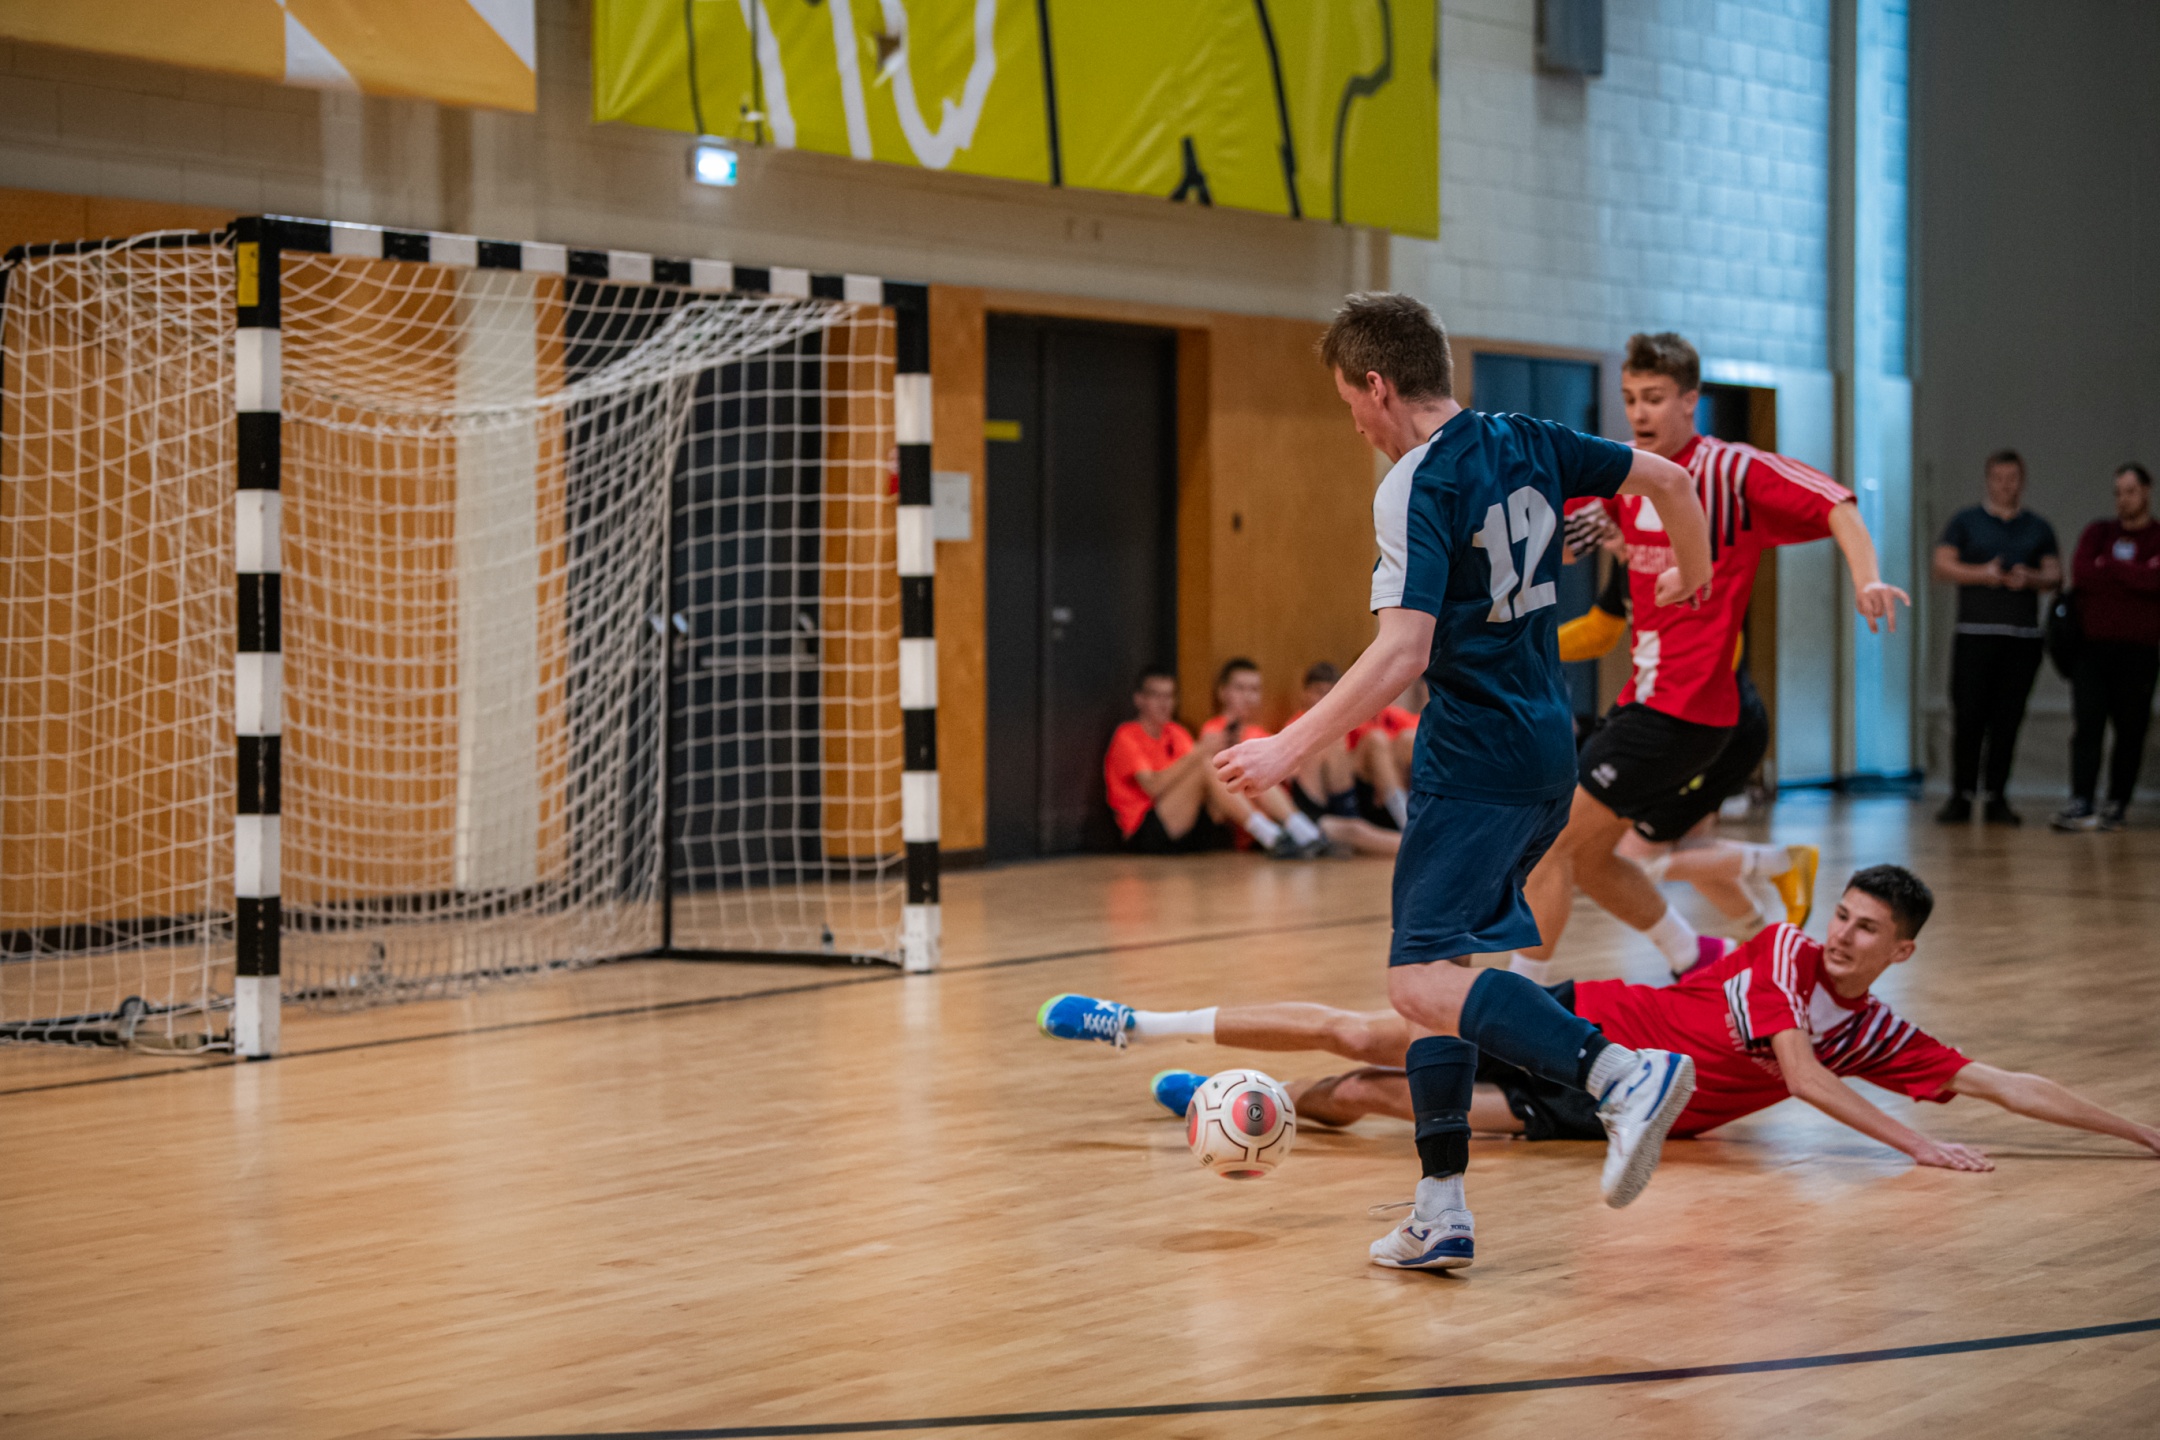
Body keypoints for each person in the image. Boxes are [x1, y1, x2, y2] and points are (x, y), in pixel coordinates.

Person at [1203, 291, 1714, 1271]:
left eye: (1349, 403)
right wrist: (1687, 582)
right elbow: (1672, 483)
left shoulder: (1414, 484)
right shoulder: (1530, 437)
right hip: (1547, 743)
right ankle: (1440, 1206)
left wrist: (1288, 748)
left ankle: (1618, 1074)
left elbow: (1403, 651)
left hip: (1473, 754)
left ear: (1378, 386)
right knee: (1442, 982)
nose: (1354, 424)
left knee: (1418, 981)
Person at [1040, 866, 2160, 1170]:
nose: (1842, 936)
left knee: (1374, 1099)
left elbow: (2006, 1082)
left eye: (1867, 932)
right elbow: (1804, 1079)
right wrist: (1917, 1145)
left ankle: (1238, 1104)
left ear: (1901, 953)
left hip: (1605, 1111)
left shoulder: (1882, 1037)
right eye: (1843, 916)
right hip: (1575, 1019)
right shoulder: (1782, 954)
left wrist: (2139, 1131)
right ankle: (1143, 1025)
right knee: (1363, 1031)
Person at [1516, 332, 1907, 982]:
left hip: (1687, 709)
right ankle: (1701, 960)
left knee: (1551, 843)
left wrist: (1867, 578)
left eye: (1654, 398)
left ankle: (1512, 1008)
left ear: (1689, 400)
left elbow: (1837, 503)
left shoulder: (1731, 471)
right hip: (1645, 702)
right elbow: (1559, 538)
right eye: (1630, 398)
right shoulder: (1623, 473)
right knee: (1591, 857)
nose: (1639, 412)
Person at [1548, 524, 1818, 943]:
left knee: (1638, 857)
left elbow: (1726, 645)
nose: (1607, 539)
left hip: (1714, 728)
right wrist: (1531, 646)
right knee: (1693, 849)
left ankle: (1780, 863)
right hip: (1695, 727)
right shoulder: (1628, 567)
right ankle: (1759, 941)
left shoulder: (1683, 560)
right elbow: (1599, 632)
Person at [1933, 449, 2061, 826]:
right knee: (1968, 717)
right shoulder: (1966, 522)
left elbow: (2055, 575)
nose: (2005, 486)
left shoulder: (2038, 527)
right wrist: (1983, 573)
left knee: (2007, 721)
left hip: (2020, 638)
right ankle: (1961, 794)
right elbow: (1941, 565)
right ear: (1988, 480)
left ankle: (1996, 796)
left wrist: (2030, 579)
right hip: (1975, 636)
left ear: (2022, 481)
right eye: (1999, 479)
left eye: (2012, 479)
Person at [1104, 665, 1332, 859]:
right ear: (1139, 699)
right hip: (1145, 828)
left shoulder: (1176, 732)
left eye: (1169, 696)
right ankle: (1274, 836)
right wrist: (1199, 751)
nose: (1164, 703)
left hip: (1194, 821)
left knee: (1238, 768)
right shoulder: (1128, 735)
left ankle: (1302, 831)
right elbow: (1153, 787)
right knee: (1209, 764)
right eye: (1157, 696)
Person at [2053, 463, 2159, 832]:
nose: (2123, 499)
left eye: (2130, 491)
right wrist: (2133, 572)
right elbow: (2083, 573)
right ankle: (2081, 800)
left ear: (2146, 492)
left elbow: (2154, 581)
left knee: (2130, 730)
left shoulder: (2156, 536)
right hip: (2092, 650)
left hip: (2139, 652)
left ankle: (2117, 802)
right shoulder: (2098, 532)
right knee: (2087, 726)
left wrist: (2111, 568)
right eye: (2118, 492)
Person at [1200, 659, 1396, 857]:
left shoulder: (1260, 732)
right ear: (1222, 692)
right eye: (1240, 688)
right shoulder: (1215, 732)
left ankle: (1309, 830)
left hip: (1291, 804)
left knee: (1355, 826)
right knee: (1353, 830)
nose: (1248, 697)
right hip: (1274, 814)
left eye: (1254, 689)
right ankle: (1285, 833)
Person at [1288, 661, 1413, 833]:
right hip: (1328, 801)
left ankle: (1413, 814)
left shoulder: (1386, 716)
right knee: (1365, 741)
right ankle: (1406, 823)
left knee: (1406, 739)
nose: (1324, 699)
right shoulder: (1297, 726)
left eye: (1330, 694)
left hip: (1366, 792)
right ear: (1304, 694)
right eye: (1319, 692)